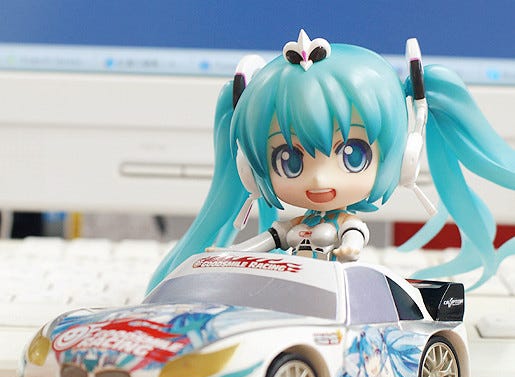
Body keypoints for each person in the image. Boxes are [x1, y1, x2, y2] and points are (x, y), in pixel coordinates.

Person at [147, 30, 515, 293]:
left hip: (336, 294)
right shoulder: (292, 226)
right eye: (289, 160)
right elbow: (264, 243)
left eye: (353, 155)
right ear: (250, 171)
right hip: (292, 293)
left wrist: (350, 249)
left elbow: (353, 240)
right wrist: (230, 254)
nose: (320, 180)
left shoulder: (346, 224)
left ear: (406, 158)